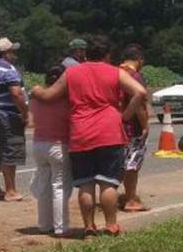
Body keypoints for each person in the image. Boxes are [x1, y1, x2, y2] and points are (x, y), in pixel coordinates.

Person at [32, 36, 147, 235]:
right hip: (110, 131)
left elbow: (49, 96)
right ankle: (111, 225)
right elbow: (140, 92)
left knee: (86, 183)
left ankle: (88, 226)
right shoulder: (116, 72)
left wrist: (35, 90)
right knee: (108, 182)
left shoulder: (72, 73)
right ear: (108, 55)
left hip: (81, 132)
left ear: (86, 54)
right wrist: (125, 115)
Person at [0, 37, 29, 201]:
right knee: (10, 149)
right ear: (5, 54)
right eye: (12, 52)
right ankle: (11, 190)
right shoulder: (8, 69)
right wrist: (24, 113)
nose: (14, 55)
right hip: (6, 115)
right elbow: (16, 94)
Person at [30, 63, 72, 235]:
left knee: (44, 186)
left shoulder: (36, 96)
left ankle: (44, 224)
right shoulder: (66, 99)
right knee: (59, 187)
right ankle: (61, 227)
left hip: (38, 144)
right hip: (58, 144)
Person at [118, 44, 149, 212]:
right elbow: (139, 103)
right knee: (132, 163)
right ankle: (130, 199)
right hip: (131, 127)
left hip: (112, 125)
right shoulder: (135, 77)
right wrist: (145, 125)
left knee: (117, 163)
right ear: (140, 59)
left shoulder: (113, 73)